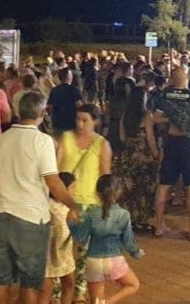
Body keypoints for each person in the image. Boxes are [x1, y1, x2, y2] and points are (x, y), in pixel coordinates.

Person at [0, 91, 80, 304]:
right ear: (42, 113)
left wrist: (4, 195)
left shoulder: (3, 138)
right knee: (30, 282)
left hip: (4, 215)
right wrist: (72, 204)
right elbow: (53, 181)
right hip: (31, 219)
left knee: (1, 278)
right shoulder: (42, 141)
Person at [58, 104, 113, 301]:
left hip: (90, 203)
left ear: (95, 121)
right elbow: (55, 168)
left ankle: (79, 291)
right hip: (64, 202)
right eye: (78, 119)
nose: (80, 124)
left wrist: (106, 206)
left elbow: (105, 176)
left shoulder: (101, 144)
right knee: (59, 249)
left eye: (85, 120)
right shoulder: (65, 138)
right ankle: (57, 291)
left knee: (84, 253)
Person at [68, 175, 144, 304]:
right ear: (119, 192)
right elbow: (128, 241)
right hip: (114, 259)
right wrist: (136, 253)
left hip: (94, 261)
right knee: (133, 284)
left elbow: (80, 237)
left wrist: (71, 223)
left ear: (97, 193)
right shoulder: (123, 214)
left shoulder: (91, 214)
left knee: (96, 300)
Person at [152, 68, 190, 239]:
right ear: (187, 77)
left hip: (171, 142)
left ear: (172, 78)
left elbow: (155, 118)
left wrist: (170, 119)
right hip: (188, 143)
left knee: (164, 184)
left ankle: (159, 225)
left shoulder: (165, 95)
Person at [111, 80, 159, 231]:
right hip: (143, 156)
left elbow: (122, 137)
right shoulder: (146, 116)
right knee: (144, 189)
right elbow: (150, 138)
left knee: (129, 189)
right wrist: (156, 153)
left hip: (128, 155)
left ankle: (129, 219)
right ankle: (141, 219)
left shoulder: (125, 115)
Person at [41, 173, 78, 304]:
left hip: (65, 254)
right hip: (49, 255)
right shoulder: (47, 207)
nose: (75, 191)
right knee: (45, 290)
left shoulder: (69, 208)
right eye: (72, 188)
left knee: (69, 284)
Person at [47, 67, 83, 135]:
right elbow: (79, 105)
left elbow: (50, 107)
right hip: (71, 123)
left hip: (57, 123)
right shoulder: (74, 89)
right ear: (69, 77)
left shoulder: (54, 90)